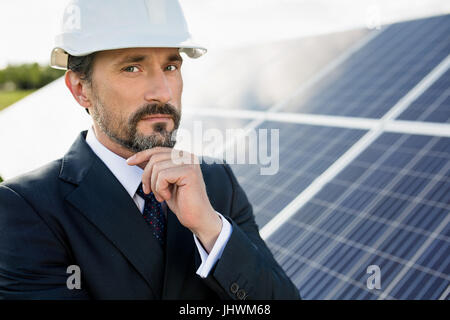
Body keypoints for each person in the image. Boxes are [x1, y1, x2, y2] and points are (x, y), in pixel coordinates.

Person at [0, 0, 300, 300]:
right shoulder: (24, 209)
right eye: (132, 68)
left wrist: (211, 230)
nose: (163, 92)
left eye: (171, 66)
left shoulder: (218, 183)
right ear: (81, 88)